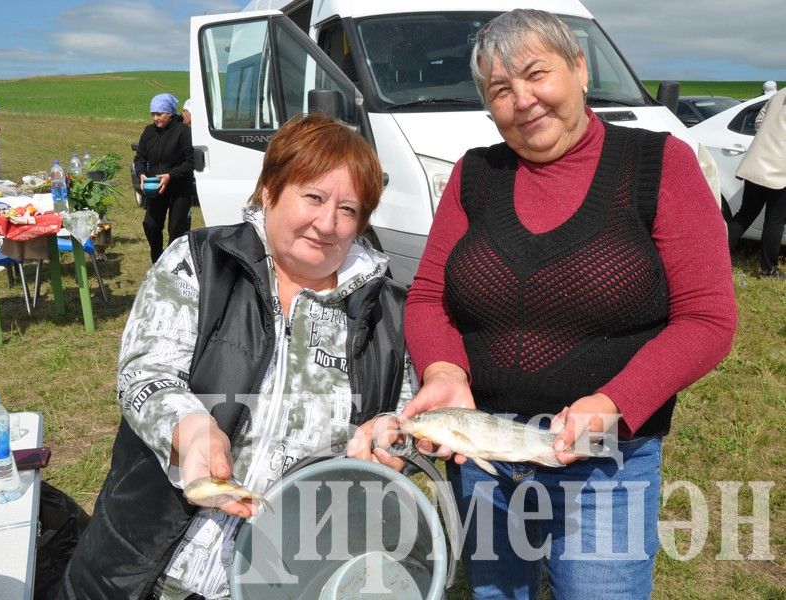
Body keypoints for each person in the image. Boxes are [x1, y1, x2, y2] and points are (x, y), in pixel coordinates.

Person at [402, 10, 737, 599]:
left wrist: (614, 402)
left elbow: (707, 319)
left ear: (580, 68)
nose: (524, 100)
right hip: (485, 450)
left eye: (537, 74)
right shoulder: (474, 175)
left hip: (609, 462)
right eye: (501, 90)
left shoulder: (660, 165)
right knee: (494, 593)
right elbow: (429, 297)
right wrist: (445, 371)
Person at [60, 113, 414, 599]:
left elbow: (409, 423)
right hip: (149, 565)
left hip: (290, 576)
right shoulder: (201, 261)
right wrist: (191, 428)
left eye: (348, 209)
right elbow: (145, 371)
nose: (327, 223)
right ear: (269, 190)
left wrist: (392, 443)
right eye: (312, 197)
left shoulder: (391, 314)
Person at [727, 86, 786, 279]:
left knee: (745, 213)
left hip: (758, 159)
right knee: (775, 220)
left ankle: (717, 257)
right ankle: (768, 270)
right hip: (780, 166)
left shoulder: (779, 93)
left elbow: (759, 121)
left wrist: (770, 139)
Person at [134, 93, 195, 263]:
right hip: (155, 188)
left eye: (160, 114)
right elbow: (140, 158)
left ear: (170, 113)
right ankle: (157, 259)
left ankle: (173, 264)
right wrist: (141, 173)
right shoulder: (148, 131)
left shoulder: (183, 132)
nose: (156, 118)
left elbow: (191, 163)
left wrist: (170, 175)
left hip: (179, 188)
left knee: (176, 230)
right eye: (153, 114)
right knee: (151, 225)